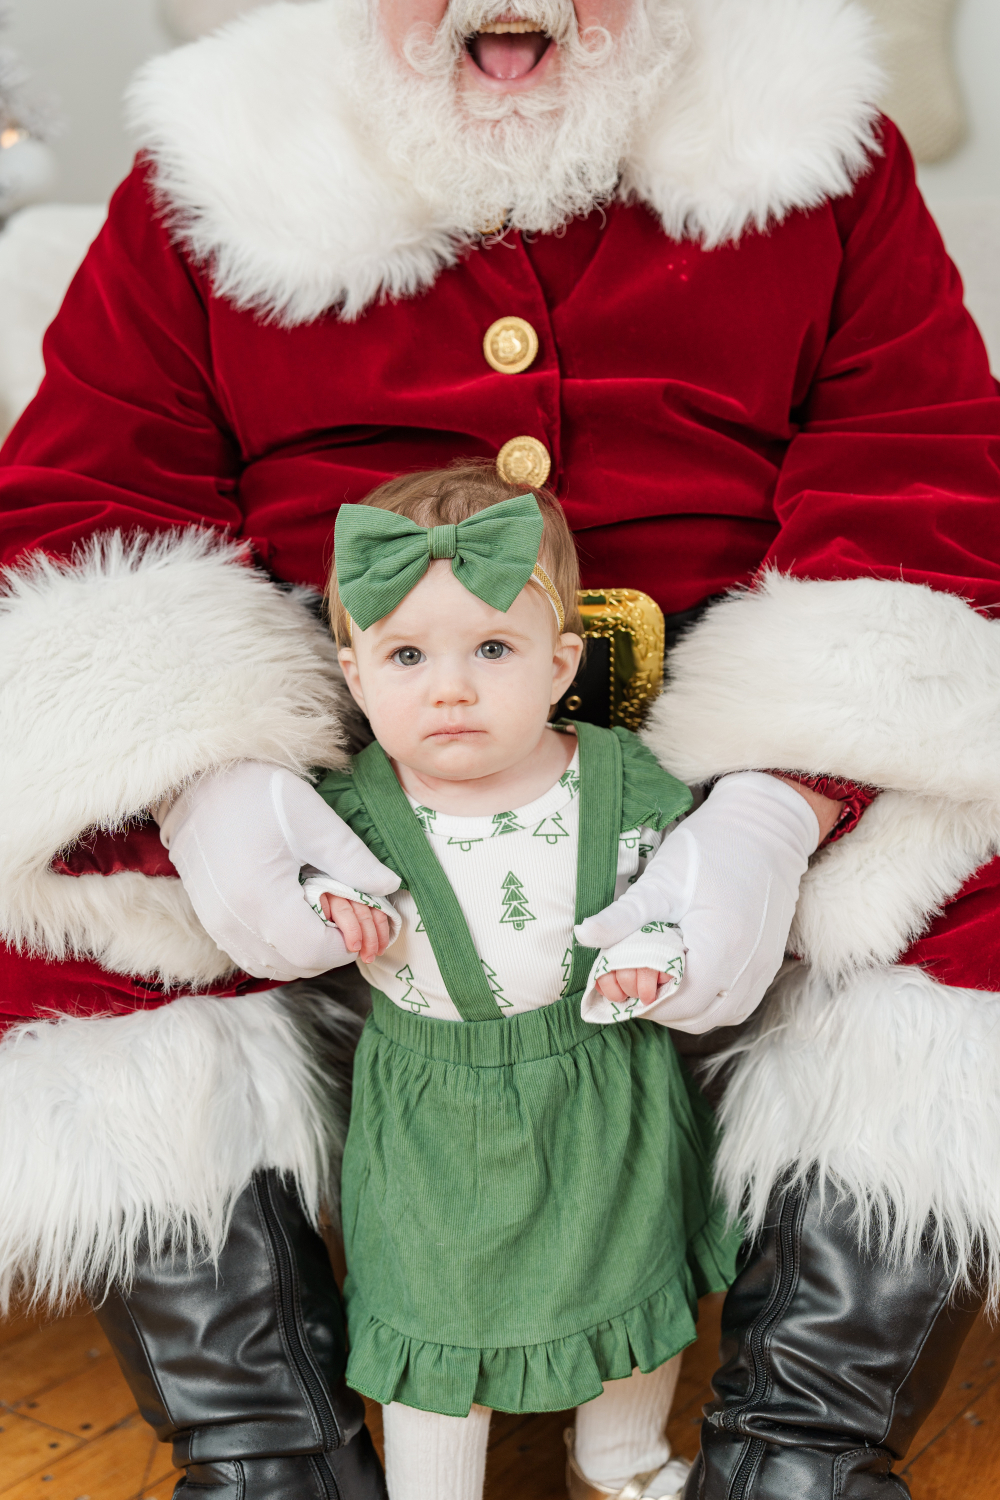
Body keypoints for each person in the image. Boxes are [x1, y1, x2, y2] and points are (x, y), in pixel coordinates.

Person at [0, 1, 998, 1498]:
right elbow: (86, 492)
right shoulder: (213, 159)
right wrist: (206, 782)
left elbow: (921, 464)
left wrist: (787, 804)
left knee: (976, 903)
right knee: (69, 924)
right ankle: (269, 1459)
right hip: (341, 782)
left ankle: (800, 1457)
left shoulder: (815, 144)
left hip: (719, 773)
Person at [300, 465, 756, 1500]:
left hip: (605, 1085)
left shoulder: (620, 778)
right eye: (407, 654)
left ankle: (621, 1457)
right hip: (431, 1112)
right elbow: (286, 871)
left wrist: (662, 950)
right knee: (431, 1310)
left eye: (491, 650)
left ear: (559, 665)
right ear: (356, 673)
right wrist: (321, 897)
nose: (449, 688)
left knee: (632, 1276)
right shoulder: (350, 808)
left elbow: (694, 882)